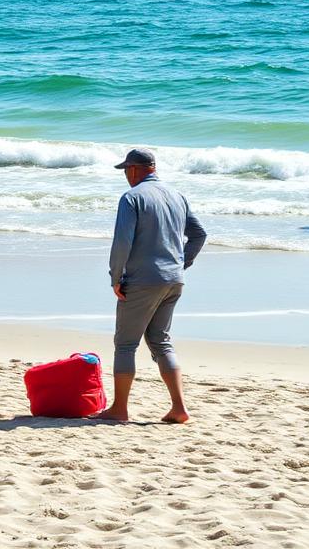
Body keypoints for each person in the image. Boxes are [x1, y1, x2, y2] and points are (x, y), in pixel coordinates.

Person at [97, 148, 207, 424]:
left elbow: (122, 242)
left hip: (142, 280)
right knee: (161, 341)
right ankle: (179, 408)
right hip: (173, 280)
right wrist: (182, 263)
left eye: (125, 170)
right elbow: (199, 234)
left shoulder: (132, 197)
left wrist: (115, 278)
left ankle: (119, 410)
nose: (125, 175)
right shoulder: (176, 196)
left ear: (134, 169)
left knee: (125, 344)